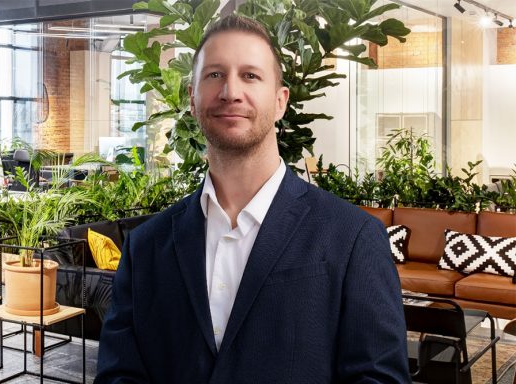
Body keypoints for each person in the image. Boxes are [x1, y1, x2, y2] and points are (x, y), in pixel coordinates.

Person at [95, 15, 409, 384]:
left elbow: (379, 378)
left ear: (280, 101)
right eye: (214, 75)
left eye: (250, 75)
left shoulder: (352, 237)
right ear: (192, 100)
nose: (230, 91)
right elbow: (119, 375)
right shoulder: (146, 246)